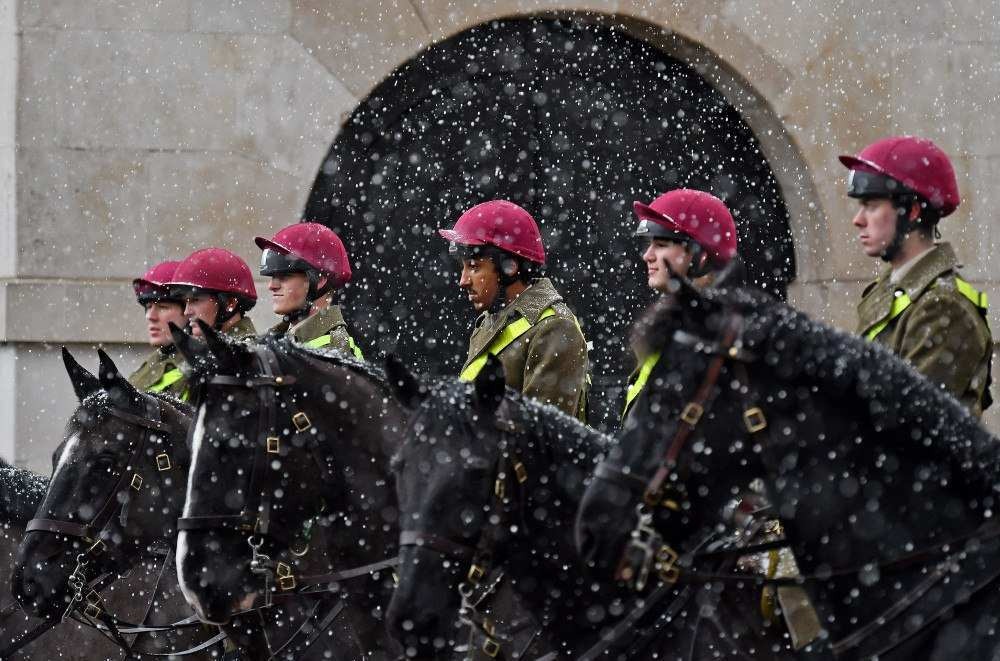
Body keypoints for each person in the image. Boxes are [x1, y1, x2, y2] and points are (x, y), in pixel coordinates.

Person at [843, 136, 992, 416]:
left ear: (911, 211)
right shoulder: (889, 290)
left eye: (871, 205)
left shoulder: (944, 306)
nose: (858, 219)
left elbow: (903, 420)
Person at [438, 199, 589, 421]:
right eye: (463, 267)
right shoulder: (491, 320)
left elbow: (540, 439)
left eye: (474, 267)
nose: (463, 281)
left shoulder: (555, 327)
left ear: (509, 267)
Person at [621, 188, 739, 420]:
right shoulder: (678, 325)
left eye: (662, 244)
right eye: (650, 243)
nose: (647, 255)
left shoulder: (715, 337)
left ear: (700, 256)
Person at [255, 222, 363, 358]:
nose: (271, 286)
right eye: (272, 276)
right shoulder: (278, 340)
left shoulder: (335, 351)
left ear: (320, 279)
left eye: (285, 276)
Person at [127, 260, 190, 399]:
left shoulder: (202, 367)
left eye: (163, 307)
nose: (150, 316)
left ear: (189, 311)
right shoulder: (151, 364)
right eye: (148, 307)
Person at [167, 248, 258, 341]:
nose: (186, 312)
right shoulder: (206, 350)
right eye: (185, 302)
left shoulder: (246, 353)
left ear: (230, 303)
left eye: (195, 300)